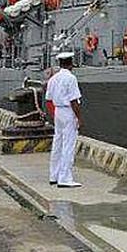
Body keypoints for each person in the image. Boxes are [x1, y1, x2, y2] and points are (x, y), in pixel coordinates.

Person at [45, 51, 83, 188]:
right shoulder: (71, 78)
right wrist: (79, 118)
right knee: (68, 145)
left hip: (58, 112)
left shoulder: (53, 79)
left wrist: (54, 115)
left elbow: (48, 100)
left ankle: (53, 175)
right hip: (68, 112)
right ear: (71, 63)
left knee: (57, 144)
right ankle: (65, 178)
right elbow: (74, 100)